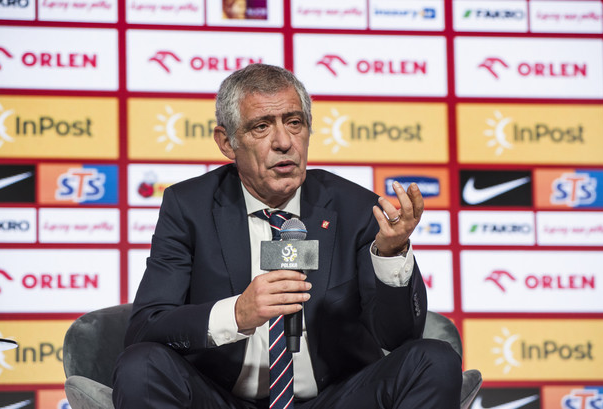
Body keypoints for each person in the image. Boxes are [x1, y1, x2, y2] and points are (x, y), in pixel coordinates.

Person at [112, 63, 462, 409]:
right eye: (261, 127)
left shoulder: (356, 208)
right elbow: (146, 329)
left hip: (332, 399)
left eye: (294, 123)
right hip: (223, 398)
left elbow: (398, 337)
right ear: (226, 142)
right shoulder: (189, 207)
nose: (284, 142)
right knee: (140, 366)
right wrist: (237, 313)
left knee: (433, 359)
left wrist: (391, 254)